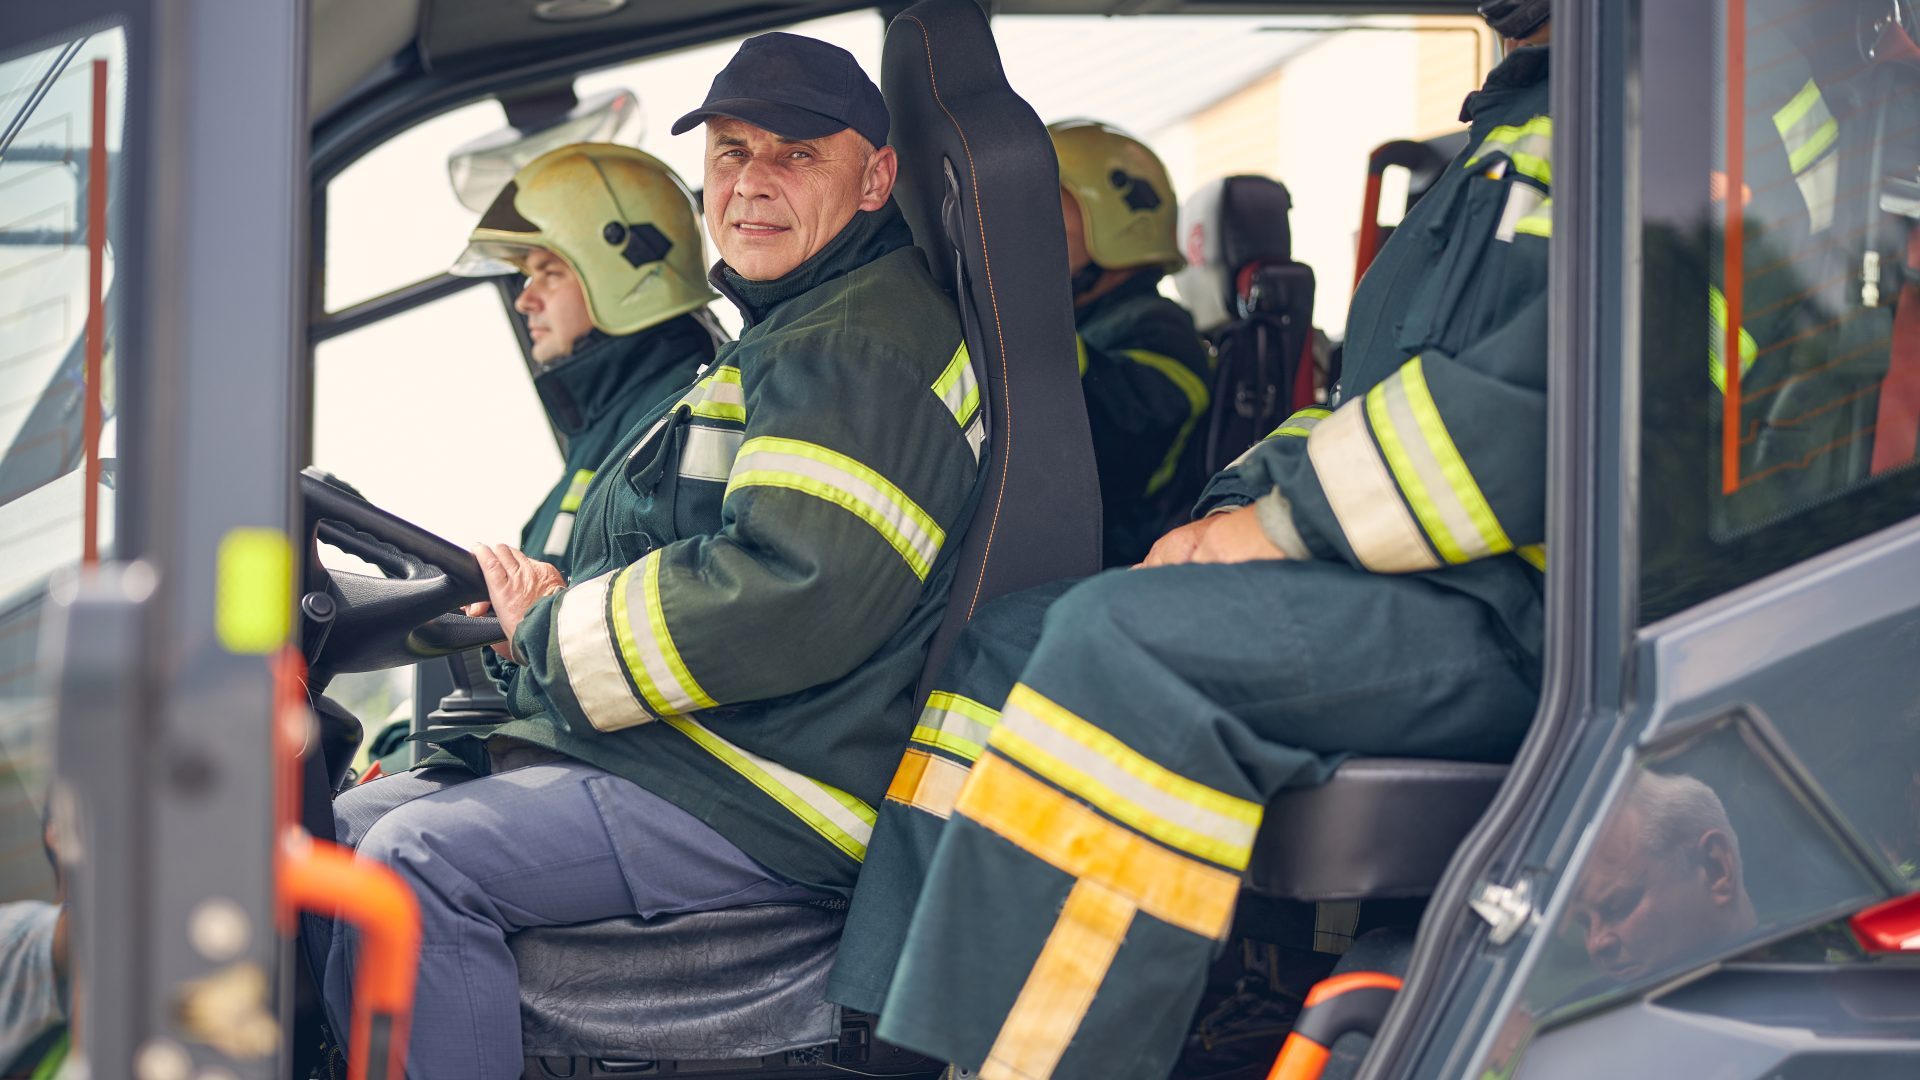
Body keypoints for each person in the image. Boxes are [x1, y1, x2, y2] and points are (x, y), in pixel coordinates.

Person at [827, 4, 1555, 1077]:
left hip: (1524, 609)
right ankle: (894, 1032)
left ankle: (1030, 1061)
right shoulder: (1495, 150)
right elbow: (1364, 406)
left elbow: (1540, 408)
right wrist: (1229, 514)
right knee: (1016, 634)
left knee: (1122, 648)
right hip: (1417, 580)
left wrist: (1284, 527)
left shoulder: (1629, 131)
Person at [304, 33, 980, 1079]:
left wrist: (555, 625)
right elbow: (714, 560)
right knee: (339, 827)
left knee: (408, 865)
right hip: (725, 747)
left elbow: (797, 591)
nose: (752, 182)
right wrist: (554, 622)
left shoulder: (849, 346)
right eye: (730, 153)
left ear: (877, 177)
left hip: (772, 780)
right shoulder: (798, 328)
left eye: (796, 155)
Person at [449, 142, 722, 573]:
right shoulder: (603, 432)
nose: (526, 301)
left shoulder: (674, 422)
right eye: (527, 277)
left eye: (550, 273)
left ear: (621, 271)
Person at [1050, 121, 1215, 567]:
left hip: (1111, 568)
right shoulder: (1086, 317)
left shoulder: (1162, 330)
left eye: (1047, 204)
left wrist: (1027, 323)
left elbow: (1109, 444)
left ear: (1114, 219)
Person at [1570, 772, 1757, 983]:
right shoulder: (1579, 1011)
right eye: (1584, 923)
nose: (1595, 944)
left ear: (1716, 870)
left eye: (1619, 907)